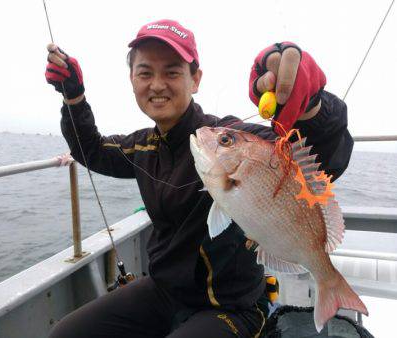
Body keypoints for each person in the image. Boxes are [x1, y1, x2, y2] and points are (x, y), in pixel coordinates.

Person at [46, 19, 353, 338]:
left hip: (232, 307)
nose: (157, 84)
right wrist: (74, 98)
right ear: (132, 80)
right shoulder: (143, 146)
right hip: (163, 292)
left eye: (172, 72)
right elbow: (91, 149)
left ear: (196, 79)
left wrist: (313, 106)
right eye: (145, 72)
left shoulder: (234, 138)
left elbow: (317, 153)